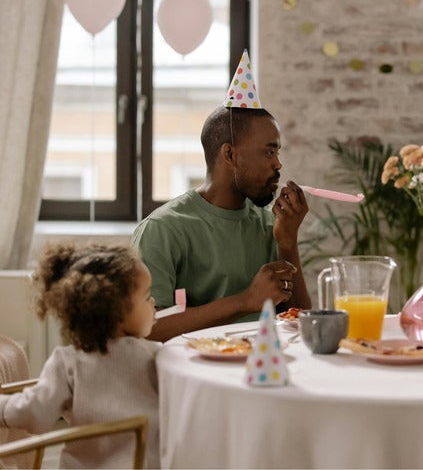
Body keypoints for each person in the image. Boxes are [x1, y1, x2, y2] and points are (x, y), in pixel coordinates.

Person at [132, 105, 312, 342]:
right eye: (269, 152)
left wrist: (288, 243)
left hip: (264, 369)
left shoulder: (270, 225)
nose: (278, 164)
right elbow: (147, 330)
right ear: (229, 155)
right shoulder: (162, 229)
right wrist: (245, 301)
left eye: (278, 153)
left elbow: (303, 323)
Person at [0, 243, 161, 469]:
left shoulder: (68, 361)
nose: (154, 303)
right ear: (116, 313)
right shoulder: (160, 356)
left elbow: (35, 414)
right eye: (147, 297)